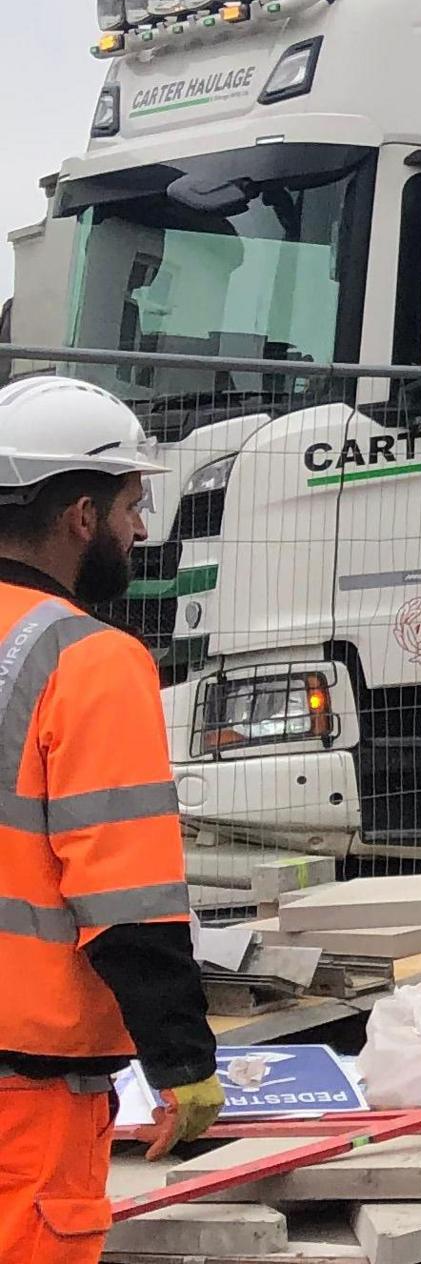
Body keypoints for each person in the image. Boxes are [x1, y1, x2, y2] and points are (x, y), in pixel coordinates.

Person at [0, 377, 225, 1257]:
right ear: (81, 516)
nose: (140, 528)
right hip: (27, 1090)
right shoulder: (87, 659)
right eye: (133, 503)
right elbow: (124, 891)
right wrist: (183, 1060)